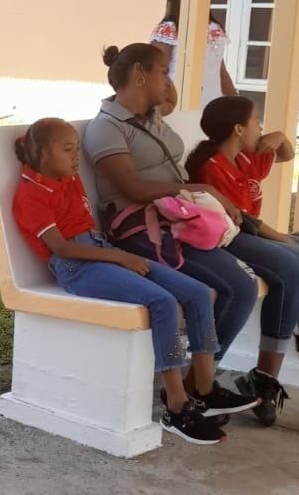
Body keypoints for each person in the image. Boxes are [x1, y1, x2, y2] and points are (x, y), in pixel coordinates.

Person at [13, 119, 226, 445]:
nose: (75, 158)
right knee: (162, 302)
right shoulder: (29, 195)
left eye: (77, 149)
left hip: (101, 250)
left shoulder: (67, 177)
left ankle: (206, 389)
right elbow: (62, 248)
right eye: (68, 150)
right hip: (77, 266)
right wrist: (121, 257)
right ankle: (177, 405)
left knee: (197, 292)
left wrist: (116, 254)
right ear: (42, 153)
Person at [83, 43, 259, 420]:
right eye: (163, 71)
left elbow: (169, 99)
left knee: (241, 284)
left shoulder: (148, 116)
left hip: (181, 221)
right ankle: (201, 385)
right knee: (236, 287)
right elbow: (131, 189)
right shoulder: (106, 129)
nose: (169, 80)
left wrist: (162, 88)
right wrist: (202, 189)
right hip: (144, 230)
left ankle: (201, 381)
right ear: (140, 75)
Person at [185, 96, 299, 423]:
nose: (260, 127)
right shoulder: (212, 166)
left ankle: (279, 363)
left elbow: (285, 154)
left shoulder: (244, 157)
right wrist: (285, 239)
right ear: (238, 129)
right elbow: (242, 221)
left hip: (251, 233)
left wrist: (281, 137)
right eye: (256, 121)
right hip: (230, 237)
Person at [151, 0, 237, 109]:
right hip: (178, 105)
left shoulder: (213, 28)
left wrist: (237, 103)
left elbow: (220, 70)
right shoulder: (169, 29)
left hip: (212, 106)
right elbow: (155, 70)